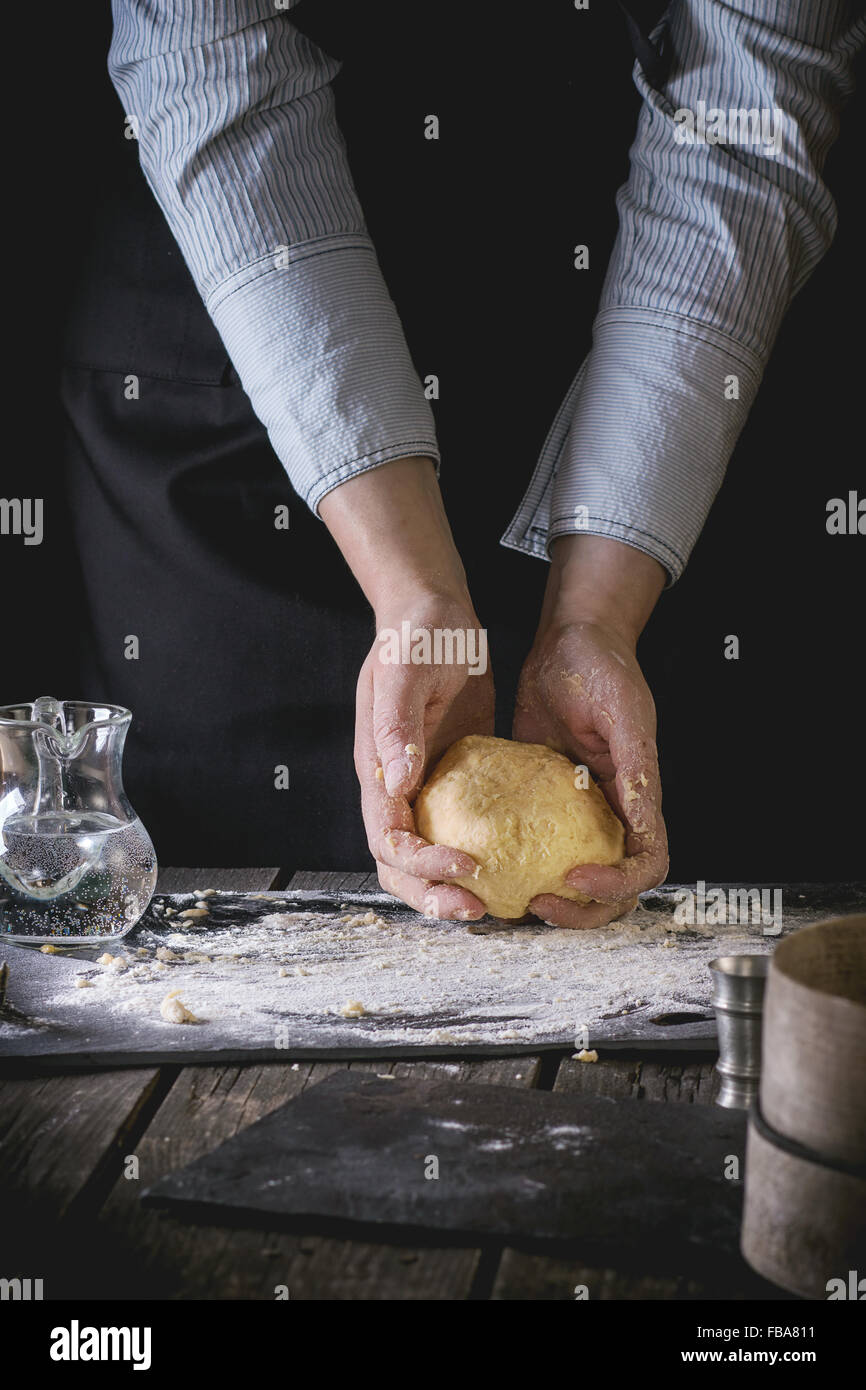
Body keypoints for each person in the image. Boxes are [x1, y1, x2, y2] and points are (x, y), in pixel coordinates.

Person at [83, 0, 862, 913]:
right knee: (226, 924)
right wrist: (414, 592)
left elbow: (746, 112)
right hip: (264, 354)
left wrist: (598, 619)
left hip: (649, 374)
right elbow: (209, 63)